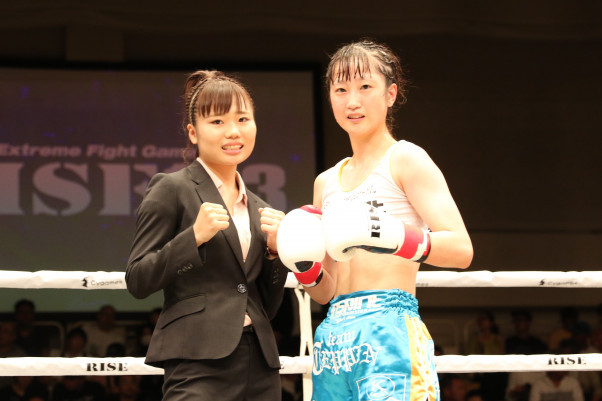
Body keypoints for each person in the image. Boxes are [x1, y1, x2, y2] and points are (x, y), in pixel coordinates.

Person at [277, 40, 473, 401]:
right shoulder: (325, 182)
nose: (352, 101)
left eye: (365, 86)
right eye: (341, 90)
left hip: (389, 327)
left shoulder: (406, 158)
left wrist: (392, 235)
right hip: (334, 336)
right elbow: (326, 292)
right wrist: (303, 263)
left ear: (390, 94)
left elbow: (461, 250)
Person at [126, 70, 289, 401]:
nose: (233, 131)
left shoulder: (261, 209)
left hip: (260, 362)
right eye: (217, 121)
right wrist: (194, 237)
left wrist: (275, 254)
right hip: (196, 360)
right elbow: (138, 279)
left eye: (243, 119)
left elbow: (268, 305)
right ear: (193, 132)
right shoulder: (172, 188)